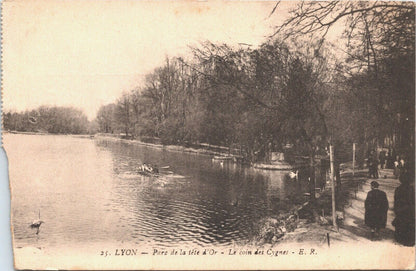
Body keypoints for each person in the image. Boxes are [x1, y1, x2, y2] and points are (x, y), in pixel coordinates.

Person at [393, 170, 415, 246]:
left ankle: (400, 238)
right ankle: (409, 240)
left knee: (401, 224)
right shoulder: (412, 189)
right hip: (410, 209)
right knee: (409, 224)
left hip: (401, 209)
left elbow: (396, 200)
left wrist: (396, 209)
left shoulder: (398, 189)